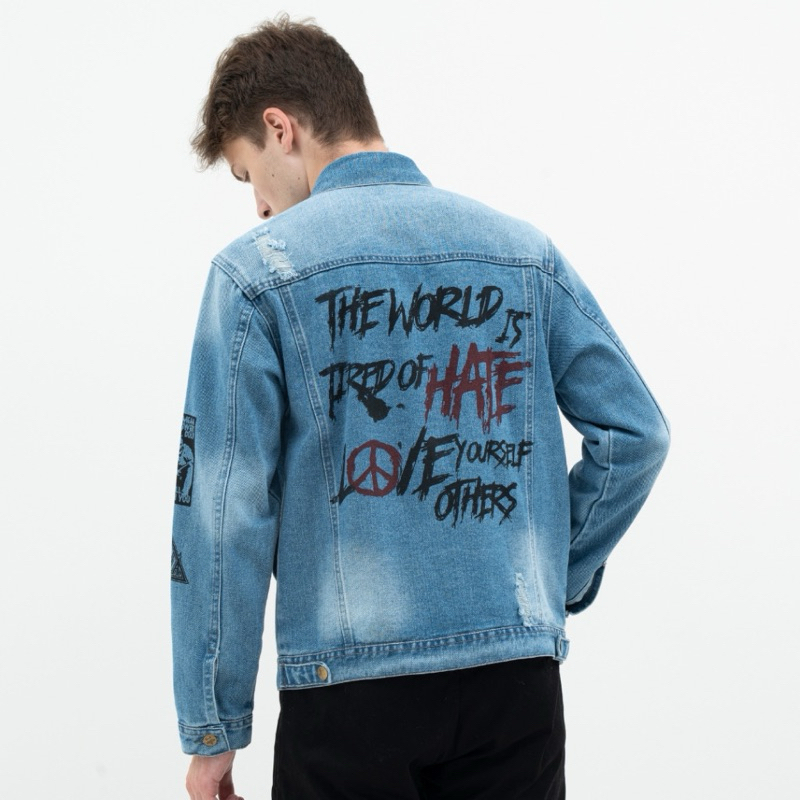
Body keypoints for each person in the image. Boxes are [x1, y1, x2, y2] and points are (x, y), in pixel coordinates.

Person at [171, 14, 671, 800]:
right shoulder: (523, 253)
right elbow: (638, 434)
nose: (259, 208)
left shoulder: (256, 276)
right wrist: (553, 577)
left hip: (347, 700)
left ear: (280, 128)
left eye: (247, 175)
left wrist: (214, 728)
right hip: (516, 689)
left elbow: (224, 513)